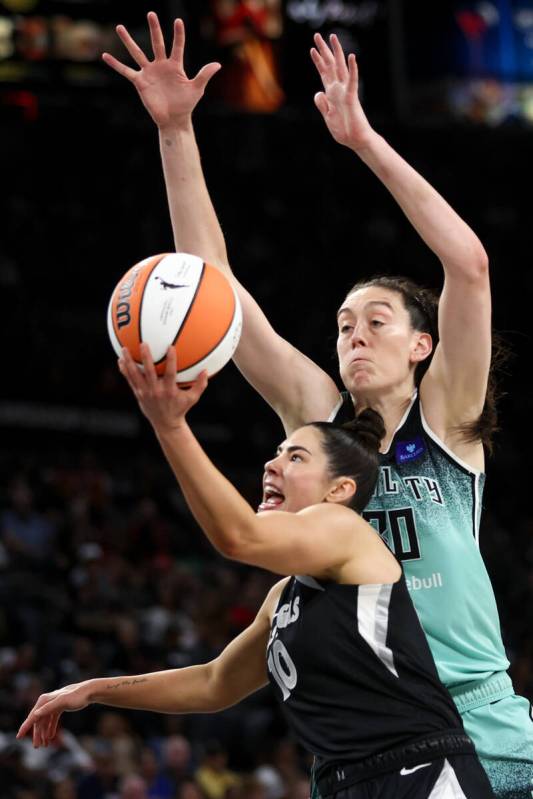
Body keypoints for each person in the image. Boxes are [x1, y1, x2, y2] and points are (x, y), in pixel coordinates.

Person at [101, 14, 533, 797]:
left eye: (376, 321)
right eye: (342, 325)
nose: (354, 335)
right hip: (382, 732)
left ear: (420, 346)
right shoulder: (318, 421)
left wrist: (363, 141)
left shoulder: (446, 423)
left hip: (485, 721)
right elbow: (213, 291)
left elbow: (465, 264)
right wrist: (174, 132)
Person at [17, 345, 495, 798]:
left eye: (296, 457)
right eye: (277, 452)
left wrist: (171, 427)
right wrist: (93, 690)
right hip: (342, 782)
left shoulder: (346, 532)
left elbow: (237, 537)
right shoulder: (284, 597)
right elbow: (213, 683)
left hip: (419, 770)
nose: (272, 464)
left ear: (339, 489)